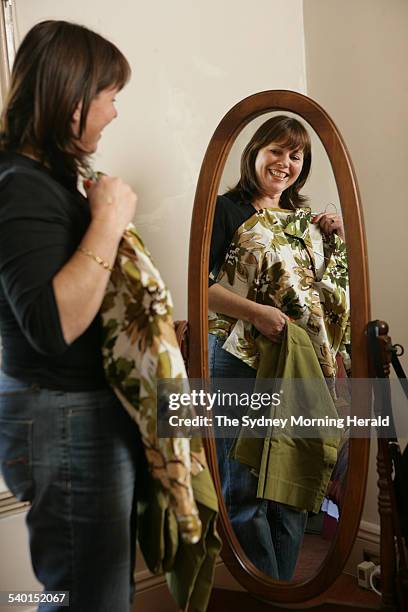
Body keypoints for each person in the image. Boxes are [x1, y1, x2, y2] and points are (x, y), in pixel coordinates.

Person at [0, 21, 142, 611]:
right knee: (89, 597)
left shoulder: (40, 182)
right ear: (73, 97)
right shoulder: (20, 185)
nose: (113, 114)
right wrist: (109, 220)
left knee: (87, 588)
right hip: (63, 415)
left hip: (69, 410)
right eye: (109, 97)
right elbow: (53, 323)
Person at [208, 115, 347, 580]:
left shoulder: (305, 224)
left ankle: (284, 588)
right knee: (243, 484)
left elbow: (321, 298)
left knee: (292, 480)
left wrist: (333, 239)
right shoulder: (225, 210)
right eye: (276, 151)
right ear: (254, 153)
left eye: (295, 156)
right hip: (237, 358)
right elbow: (201, 289)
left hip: (299, 362)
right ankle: (266, 591)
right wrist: (256, 313)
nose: (284, 163)